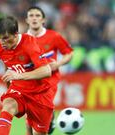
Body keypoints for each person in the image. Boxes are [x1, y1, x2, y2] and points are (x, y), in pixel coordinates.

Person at [0, 16, 56, 135]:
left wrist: (18, 76)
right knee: (8, 105)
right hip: (19, 90)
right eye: (0, 38)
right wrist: (9, 85)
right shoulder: (0, 48)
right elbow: (7, 65)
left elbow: (46, 71)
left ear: (16, 34)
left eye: (6, 38)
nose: (3, 43)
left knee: (38, 133)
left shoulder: (29, 44)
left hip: (40, 95)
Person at [25, 6, 73, 135]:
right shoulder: (22, 39)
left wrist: (58, 64)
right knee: (29, 116)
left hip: (49, 80)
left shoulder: (54, 36)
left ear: (43, 20)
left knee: (38, 112)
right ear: (26, 20)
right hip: (30, 80)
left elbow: (69, 53)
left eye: (37, 16)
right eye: (31, 15)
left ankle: (47, 119)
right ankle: (47, 119)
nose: (34, 18)